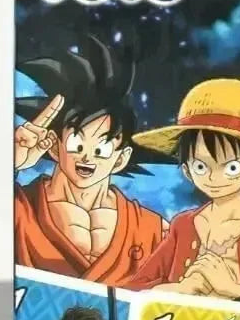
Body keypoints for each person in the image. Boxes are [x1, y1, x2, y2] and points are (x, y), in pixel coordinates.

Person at [13, 37, 167, 286]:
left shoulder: (151, 229)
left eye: (102, 148)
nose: (87, 157)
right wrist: (11, 164)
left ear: (121, 158)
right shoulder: (20, 209)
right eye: (77, 144)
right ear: (55, 146)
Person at [128, 80, 240, 298]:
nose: (213, 177)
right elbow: (135, 288)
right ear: (187, 170)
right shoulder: (183, 225)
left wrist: (231, 289)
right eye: (201, 166)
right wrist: (179, 289)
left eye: (231, 167)